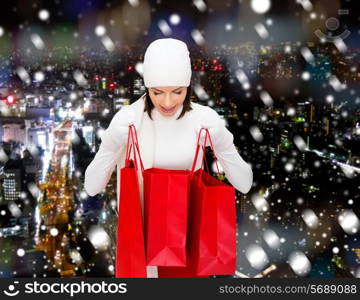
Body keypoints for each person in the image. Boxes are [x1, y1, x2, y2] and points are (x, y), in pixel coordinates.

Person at [84, 38, 253, 278]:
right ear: (146, 87)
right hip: (139, 244)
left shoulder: (204, 120)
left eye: (177, 91)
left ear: (188, 87)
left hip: (186, 241)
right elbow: (91, 187)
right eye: (157, 92)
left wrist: (224, 144)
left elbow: (244, 183)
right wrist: (110, 144)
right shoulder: (128, 120)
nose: (167, 102)